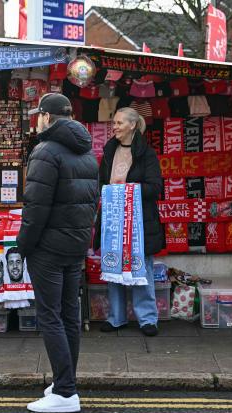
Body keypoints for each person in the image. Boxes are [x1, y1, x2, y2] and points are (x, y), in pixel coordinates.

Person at [17, 93, 98, 413]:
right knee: (69, 315)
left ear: (47, 117)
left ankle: (64, 392)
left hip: (48, 247)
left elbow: (34, 208)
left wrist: (23, 246)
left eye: (38, 115)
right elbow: (91, 202)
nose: (36, 120)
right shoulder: (87, 152)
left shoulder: (45, 151)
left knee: (49, 316)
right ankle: (66, 382)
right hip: (75, 244)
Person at [96, 107, 164, 337]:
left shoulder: (147, 153)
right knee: (113, 265)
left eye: (118, 123)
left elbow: (156, 188)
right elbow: (100, 183)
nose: (113, 127)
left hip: (139, 221)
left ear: (133, 125)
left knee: (141, 268)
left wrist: (126, 190)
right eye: (113, 123)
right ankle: (116, 317)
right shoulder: (108, 150)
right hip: (114, 220)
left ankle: (147, 319)